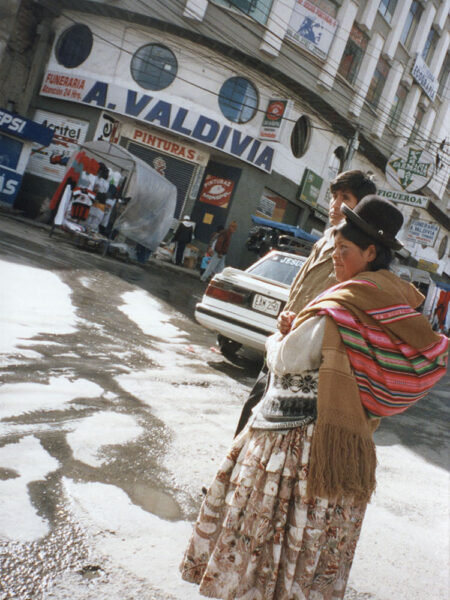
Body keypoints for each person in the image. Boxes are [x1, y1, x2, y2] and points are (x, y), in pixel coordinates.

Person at [180, 196, 448, 599]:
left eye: (345, 251)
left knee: (268, 535)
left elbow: (288, 359)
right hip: (348, 445)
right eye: (335, 249)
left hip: (297, 446)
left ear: (371, 252)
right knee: (313, 541)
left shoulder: (341, 305)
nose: (336, 259)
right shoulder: (396, 305)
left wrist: (279, 336)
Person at [234, 169, 377, 436]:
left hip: (311, 357)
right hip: (285, 341)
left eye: (345, 197)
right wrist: (287, 317)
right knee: (253, 413)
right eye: (334, 196)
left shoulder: (358, 254)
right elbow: (301, 289)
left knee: (279, 432)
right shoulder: (325, 240)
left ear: (363, 207)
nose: (335, 205)